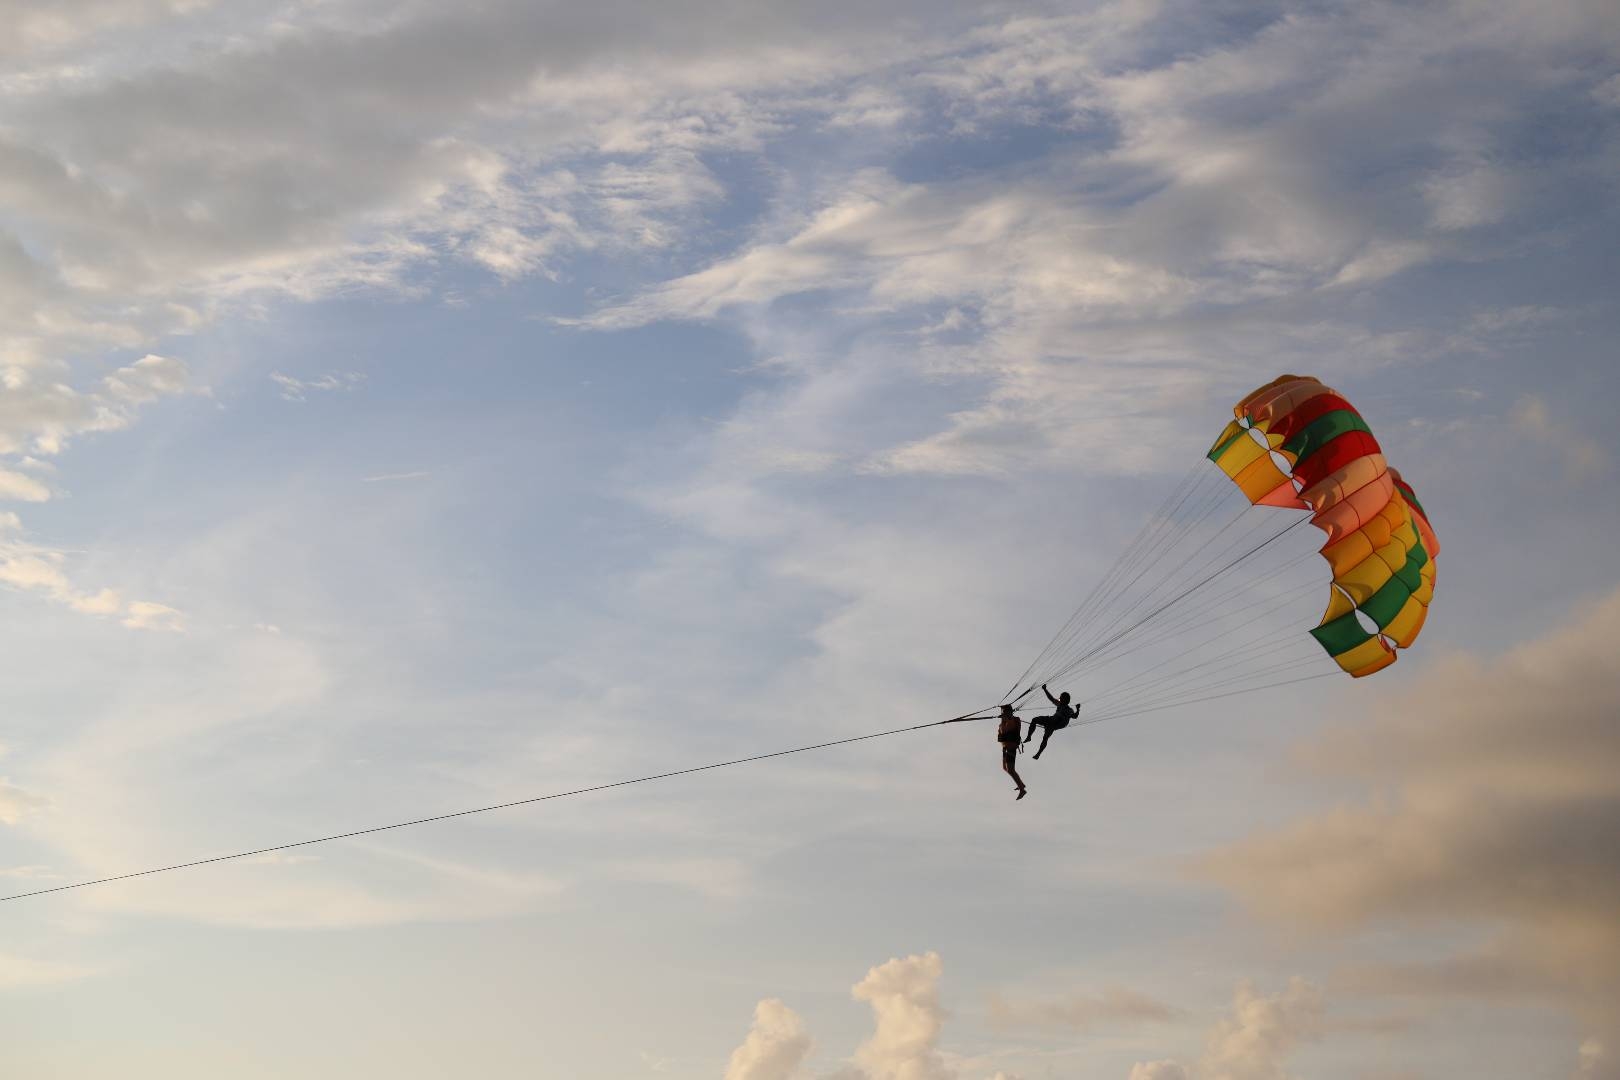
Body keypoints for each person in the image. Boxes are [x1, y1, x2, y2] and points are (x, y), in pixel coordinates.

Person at [1024, 683, 1077, 760]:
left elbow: (1074, 716)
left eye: (1061, 698)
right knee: (1034, 720)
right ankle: (1029, 737)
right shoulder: (1060, 704)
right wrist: (1045, 689)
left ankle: (1038, 754)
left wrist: (1078, 710)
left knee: (1045, 738)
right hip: (1050, 720)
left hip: (1054, 724)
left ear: (1066, 700)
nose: (1059, 699)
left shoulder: (1069, 710)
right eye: (1060, 698)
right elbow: (1051, 698)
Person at [996, 705, 1027, 800]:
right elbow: (1002, 733)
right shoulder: (1003, 724)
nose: (1002, 714)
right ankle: (1021, 784)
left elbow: (1009, 728)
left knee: (1010, 769)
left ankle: (1022, 789)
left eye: (1004, 712)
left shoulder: (1014, 720)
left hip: (1011, 747)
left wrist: (1006, 718)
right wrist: (1002, 719)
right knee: (1005, 768)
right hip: (1005, 748)